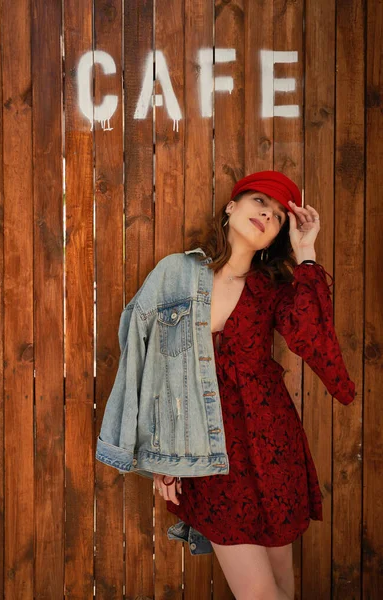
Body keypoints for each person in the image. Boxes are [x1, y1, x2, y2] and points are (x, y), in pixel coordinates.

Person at [152, 171, 355, 600]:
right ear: (232, 206)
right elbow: (157, 370)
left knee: (281, 588)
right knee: (260, 595)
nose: (268, 213)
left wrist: (306, 252)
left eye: (280, 215)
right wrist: (164, 453)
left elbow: (311, 339)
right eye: (260, 201)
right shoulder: (180, 276)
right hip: (211, 453)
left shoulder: (272, 287)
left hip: (271, 445)